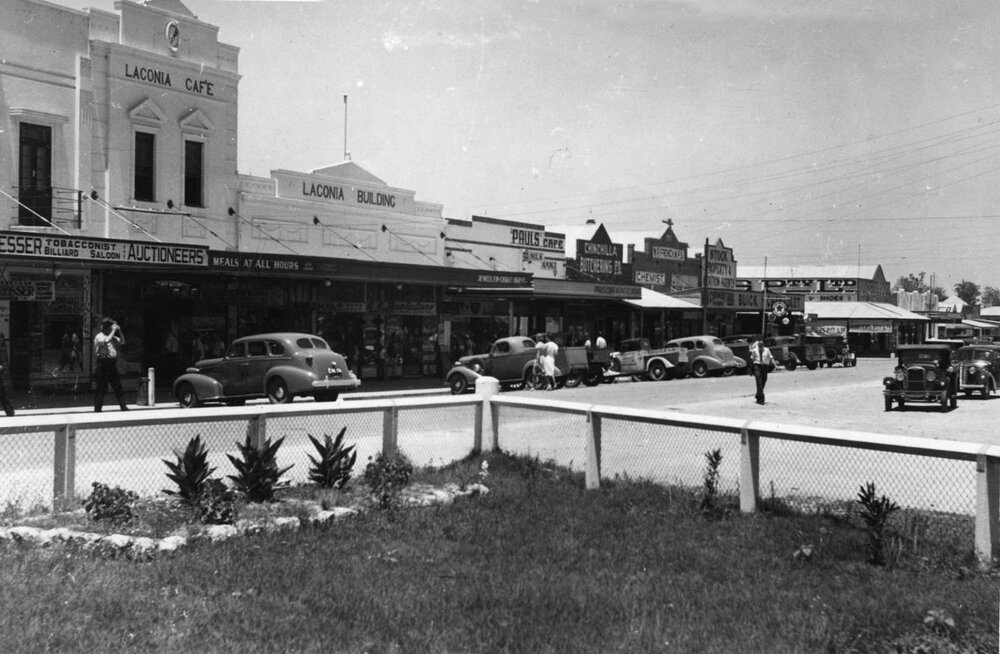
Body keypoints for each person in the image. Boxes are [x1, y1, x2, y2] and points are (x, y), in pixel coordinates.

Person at [93, 317, 128, 412]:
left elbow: (122, 341)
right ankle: (97, 408)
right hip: (103, 364)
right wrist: (113, 330)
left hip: (112, 365)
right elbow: (106, 340)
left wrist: (119, 331)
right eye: (110, 328)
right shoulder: (99, 336)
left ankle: (123, 406)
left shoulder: (112, 336)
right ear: (106, 328)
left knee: (117, 386)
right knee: (101, 387)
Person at [749, 336, 775, 405]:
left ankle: (758, 395)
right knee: (759, 381)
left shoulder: (767, 350)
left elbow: (771, 358)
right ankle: (761, 399)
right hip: (757, 366)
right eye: (759, 344)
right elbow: (751, 360)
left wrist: (774, 365)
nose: (761, 346)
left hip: (765, 367)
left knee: (763, 381)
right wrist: (750, 369)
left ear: (763, 344)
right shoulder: (754, 351)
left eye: (762, 344)